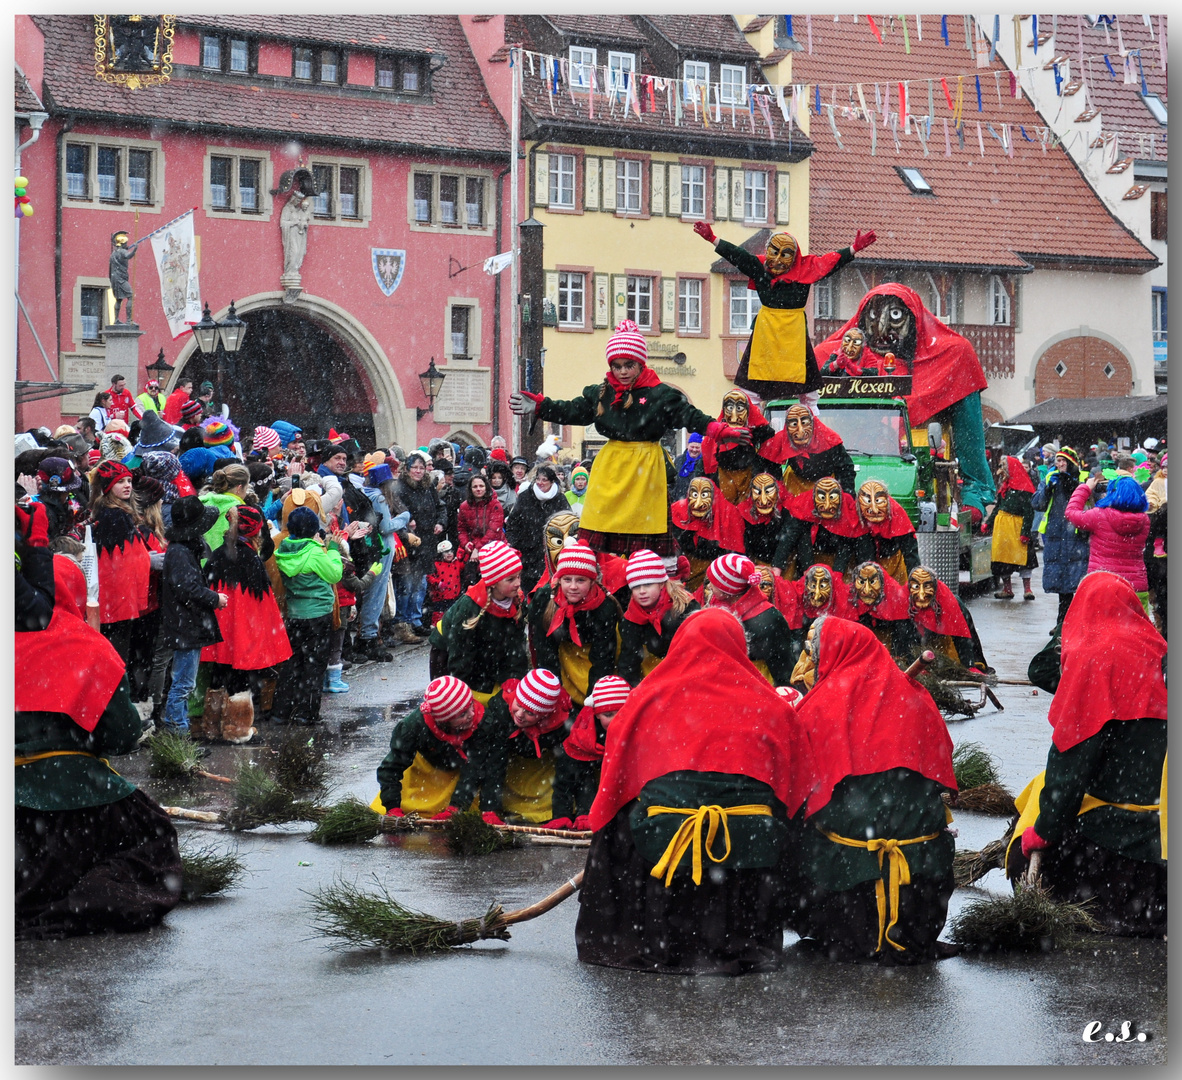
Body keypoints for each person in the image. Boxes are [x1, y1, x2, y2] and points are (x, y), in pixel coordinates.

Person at [576, 607, 816, 974]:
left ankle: (649, 935)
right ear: (740, 646)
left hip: (665, 841)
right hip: (748, 845)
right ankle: (737, 939)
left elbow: (614, 784)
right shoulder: (771, 704)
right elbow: (798, 788)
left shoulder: (646, 698)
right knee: (776, 824)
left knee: (625, 821)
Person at [16, 549, 182, 939]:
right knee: (152, 836)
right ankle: (90, 896)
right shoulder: (85, 646)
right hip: (77, 799)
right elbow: (122, 735)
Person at [786, 617, 958, 963]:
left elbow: (800, 785)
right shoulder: (916, 698)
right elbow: (942, 765)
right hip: (921, 876)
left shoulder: (821, 706)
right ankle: (901, 933)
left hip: (846, 879)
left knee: (794, 830)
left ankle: (843, 930)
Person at [1007, 572, 1166, 936]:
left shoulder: (1096, 664)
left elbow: (1068, 773)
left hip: (1116, 856)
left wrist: (1042, 832)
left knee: (1021, 854)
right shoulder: (1161, 653)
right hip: (1164, 850)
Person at [510, 320, 745, 557]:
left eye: (628, 365)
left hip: (646, 465)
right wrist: (542, 406)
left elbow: (688, 415)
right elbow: (573, 410)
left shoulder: (660, 394)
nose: (622, 372)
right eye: (617, 366)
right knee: (602, 523)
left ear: (640, 363)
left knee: (643, 526)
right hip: (611, 465)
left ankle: (646, 574)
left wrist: (716, 429)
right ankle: (604, 570)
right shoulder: (602, 393)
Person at [693, 221, 874, 399]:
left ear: (794, 257)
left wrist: (853, 248)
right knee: (754, 382)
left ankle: (809, 419)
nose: (778, 259)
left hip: (793, 330)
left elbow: (830, 261)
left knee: (807, 388)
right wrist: (713, 239)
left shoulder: (806, 269)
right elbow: (738, 255)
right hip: (766, 329)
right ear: (767, 250)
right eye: (774, 252)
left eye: (785, 254)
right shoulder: (759, 267)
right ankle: (755, 418)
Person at [373, 676, 510, 821]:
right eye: (462, 714)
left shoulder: (483, 721)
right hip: (426, 771)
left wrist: (458, 808)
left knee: (469, 813)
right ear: (445, 720)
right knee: (413, 809)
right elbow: (390, 769)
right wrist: (392, 807)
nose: (471, 714)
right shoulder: (413, 727)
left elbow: (475, 769)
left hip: (463, 776)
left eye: (471, 704)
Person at [201, 504, 292, 721]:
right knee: (239, 676)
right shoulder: (250, 559)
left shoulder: (219, 554)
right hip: (241, 631)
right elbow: (260, 605)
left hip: (218, 630)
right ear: (255, 531)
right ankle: (238, 727)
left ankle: (212, 724)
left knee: (218, 674)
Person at [428, 541, 529, 702]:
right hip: (446, 653)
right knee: (454, 704)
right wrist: (461, 692)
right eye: (510, 579)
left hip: (485, 647)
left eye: (519, 576)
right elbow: (461, 654)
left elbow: (516, 645)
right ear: (494, 582)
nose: (518, 583)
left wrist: (515, 680)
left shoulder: (516, 598)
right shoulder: (471, 607)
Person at [159, 497, 227, 735]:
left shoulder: (182, 549)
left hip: (185, 624)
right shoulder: (180, 552)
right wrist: (214, 598)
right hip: (184, 625)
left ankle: (179, 731)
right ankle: (178, 733)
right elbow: (187, 589)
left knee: (183, 682)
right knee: (183, 684)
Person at [271, 506, 342, 726]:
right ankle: (307, 713)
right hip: (318, 615)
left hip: (295, 614)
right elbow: (335, 573)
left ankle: (281, 712)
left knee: (293, 663)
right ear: (313, 529)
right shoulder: (313, 552)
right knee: (315, 665)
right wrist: (333, 549)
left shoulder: (284, 549)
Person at [527, 541, 620, 709]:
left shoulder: (605, 607)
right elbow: (544, 652)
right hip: (563, 656)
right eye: (567, 579)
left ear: (592, 581)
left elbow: (603, 660)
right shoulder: (544, 600)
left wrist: (595, 699)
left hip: (590, 656)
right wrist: (552, 694)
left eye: (581, 580)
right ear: (558, 579)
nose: (573, 587)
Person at [476, 668, 574, 824]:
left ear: (545, 715)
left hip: (542, 765)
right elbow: (494, 763)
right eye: (519, 705)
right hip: (511, 753)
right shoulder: (501, 711)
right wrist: (489, 808)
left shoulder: (562, 725)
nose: (520, 714)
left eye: (530, 712)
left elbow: (569, 769)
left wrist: (563, 813)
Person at [89, 460, 152, 661]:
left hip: (118, 601)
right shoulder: (113, 516)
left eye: (128, 481)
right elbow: (118, 566)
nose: (127, 485)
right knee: (117, 656)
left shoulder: (115, 513)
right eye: (120, 482)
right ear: (108, 487)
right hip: (117, 601)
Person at [551, 675, 632, 829]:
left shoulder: (639, 729)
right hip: (588, 768)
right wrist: (564, 814)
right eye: (608, 715)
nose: (615, 720)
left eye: (621, 713)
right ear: (596, 714)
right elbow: (568, 776)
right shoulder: (582, 736)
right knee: (579, 771)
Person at [704, 553, 797, 687]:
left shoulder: (770, 620)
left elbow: (784, 671)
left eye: (713, 582)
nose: (709, 586)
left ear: (727, 590)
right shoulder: (717, 605)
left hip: (756, 689)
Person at [1064, 474, 1152, 613]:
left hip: (1103, 584)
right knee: (1136, 632)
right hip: (1136, 586)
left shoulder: (1099, 516)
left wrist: (1085, 488)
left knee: (1103, 632)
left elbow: (1071, 512)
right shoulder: (1144, 520)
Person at [616, 548, 699, 686]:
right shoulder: (631, 620)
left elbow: (697, 648)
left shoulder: (685, 606)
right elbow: (629, 662)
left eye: (648, 585)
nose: (642, 592)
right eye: (636, 587)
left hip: (687, 673)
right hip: (653, 680)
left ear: (661, 583)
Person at [1032, 446, 1091, 624]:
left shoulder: (1083, 478)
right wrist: (1048, 489)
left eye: (1064, 461)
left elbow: (1092, 501)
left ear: (1071, 462)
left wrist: (1077, 486)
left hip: (1077, 534)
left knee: (1079, 581)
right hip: (1056, 534)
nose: (1060, 464)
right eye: (1058, 461)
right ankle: (1062, 623)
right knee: (1062, 584)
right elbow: (1037, 503)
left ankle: (1077, 623)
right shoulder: (1050, 477)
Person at [391, 450, 444, 643]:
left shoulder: (428, 486)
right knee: (406, 584)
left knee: (420, 583)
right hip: (409, 541)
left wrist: (441, 521)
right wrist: (408, 521)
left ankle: (415, 619)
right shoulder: (400, 487)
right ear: (407, 468)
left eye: (422, 468)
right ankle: (402, 622)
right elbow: (397, 510)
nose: (419, 471)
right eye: (415, 467)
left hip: (427, 540)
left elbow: (440, 507)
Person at [774, 478, 872, 580]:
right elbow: (790, 536)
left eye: (832, 497)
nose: (827, 505)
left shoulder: (848, 512)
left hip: (838, 559)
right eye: (821, 497)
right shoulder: (803, 507)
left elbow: (850, 541)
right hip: (812, 556)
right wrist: (778, 567)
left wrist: (838, 574)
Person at [698, 389, 778, 505]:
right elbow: (703, 475)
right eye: (730, 408)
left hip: (751, 497)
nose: (734, 416)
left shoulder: (762, 441)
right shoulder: (712, 443)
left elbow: (772, 473)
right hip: (723, 500)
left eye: (739, 408)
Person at [760, 403, 857, 497]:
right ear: (787, 427)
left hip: (827, 490)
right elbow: (770, 472)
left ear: (813, 423)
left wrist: (846, 497)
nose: (800, 430)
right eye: (794, 424)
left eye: (804, 423)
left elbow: (845, 470)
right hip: (795, 489)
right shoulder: (779, 441)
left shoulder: (829, 439)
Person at [670, 476, 746, 591]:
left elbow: (734, 555)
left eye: (704, 495)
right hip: (684, 575)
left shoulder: (729, 516)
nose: (698, 503)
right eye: (694, 495)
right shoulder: (677, 511)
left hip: (714, 578)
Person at [907, 566, 989, 671]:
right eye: (916, 586)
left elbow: (961, 635)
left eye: (927, 586)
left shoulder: (950, 603)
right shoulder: (903, 600)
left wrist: (969, 666)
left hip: (946, 652)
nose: (922, 595)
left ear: (935, 587)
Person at [503, 464, 567, 594]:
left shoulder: (560, 499)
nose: (540, 483)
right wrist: (515, 542)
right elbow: (512, 523)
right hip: (527, 553)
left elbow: (568, 524)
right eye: (538, 479)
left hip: (551, 554)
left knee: (549, 590)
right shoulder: (525, 497)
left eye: (544, 480)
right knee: (527, 590)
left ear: (551, 481)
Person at [984, 455, 1038, 600]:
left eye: (1003, 466)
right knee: (1003, 559)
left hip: (1017, 526)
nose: (1000, 470)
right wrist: (988, 523)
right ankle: (1007, 589)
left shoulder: (1024, 489)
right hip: (1003, 528)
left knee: (1025, 559)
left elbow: (1029, 512)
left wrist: (1025, 532)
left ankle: (1028, 589)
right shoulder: (1005, 488)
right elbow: (997, 508)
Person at [846, 560, 918, 659]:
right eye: (861, 582)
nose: (867, 590)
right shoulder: (849, 600)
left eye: (872, 582)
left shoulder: (898, 602)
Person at [856, 479, 919, 586]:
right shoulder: (856, 516)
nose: (875, 510)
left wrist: (916, 581)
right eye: (868, 501)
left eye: (878, 501)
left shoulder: (898, 516)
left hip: (893, 564)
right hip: (864, 572)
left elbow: (910, 553)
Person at [457, 473, 505, 589]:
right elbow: (461, 529)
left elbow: (494, 530)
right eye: (475, 487)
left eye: (481, 486)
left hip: (493, 548)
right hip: (472, 549)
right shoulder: (464, 506)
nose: (478, 489)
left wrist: (478, 548)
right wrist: (466, 544)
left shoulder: (495, 504)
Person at [738, 471, 785, 565]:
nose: (763, 501)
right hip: (756, 563)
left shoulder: (788, 509)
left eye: (768, 492)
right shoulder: (742, 512)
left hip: (784, 564)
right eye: (757, 492)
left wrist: (778, 565)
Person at [425, 539, 463, 628]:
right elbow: (429, 577)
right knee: (438, 614)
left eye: (450, 551)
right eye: (446, 552)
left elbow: (464, 562)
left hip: (453, 595)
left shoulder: (456, 563)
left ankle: (450, 628)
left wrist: (463, 549)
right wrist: (438, 583)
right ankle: (436, 629)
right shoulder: (436, 564)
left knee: (452, 613)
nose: (449, 554)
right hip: (440, 596)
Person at [672, 433, 705, 500]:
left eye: (697, 447)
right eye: (692, 447)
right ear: (688, 446)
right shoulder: (679, 460)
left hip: (697, 501)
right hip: (678, 501)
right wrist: (673, 494)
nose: (694, 450)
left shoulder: (704, 463)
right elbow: (672, 480)